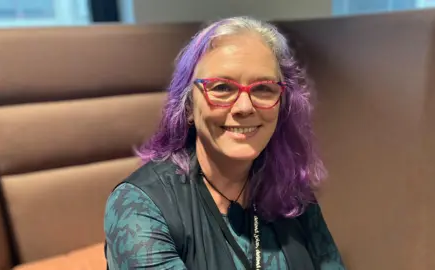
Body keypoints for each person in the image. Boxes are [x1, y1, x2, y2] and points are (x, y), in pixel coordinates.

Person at [104, 16, 345, 270]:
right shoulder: (138, 207)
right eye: (221, 88)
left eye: (263, 88)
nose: (244, 107)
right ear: (187, 105)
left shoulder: (290, 186)